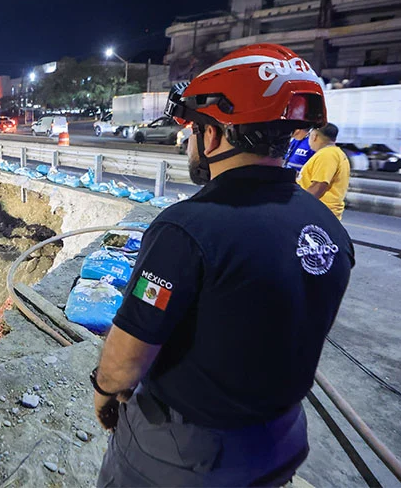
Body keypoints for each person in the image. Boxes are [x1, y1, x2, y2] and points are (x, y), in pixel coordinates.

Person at [92, 43, 355, 487]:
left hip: (184, 459)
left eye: (193, 129)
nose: (189, 142)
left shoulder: (187, 229)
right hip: (280, 444)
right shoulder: (326, 230)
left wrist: (103, 392)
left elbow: (128, 356)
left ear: (212, 136)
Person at [299, 123, 350, 220]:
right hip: (322, 212)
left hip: (319, 213)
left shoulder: (327, 155)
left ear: (314, 136)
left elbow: (319, 185)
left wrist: (298, 204)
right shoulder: (335, 153)